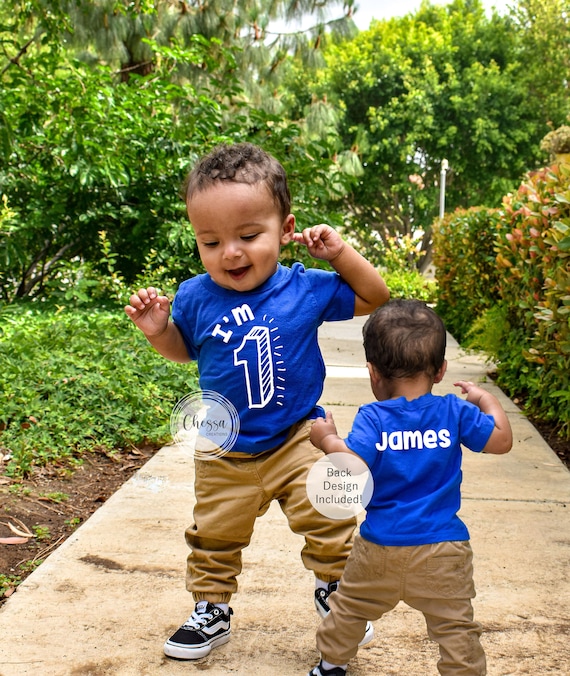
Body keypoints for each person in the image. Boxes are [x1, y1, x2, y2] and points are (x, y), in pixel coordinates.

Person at [124, 142, 390, 660]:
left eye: (248, 236)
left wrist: (339, 254)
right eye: (211, 241)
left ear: (286, 229)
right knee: (214, 534)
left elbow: (374, 295)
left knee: (331, 515)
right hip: (225, 448)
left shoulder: (306, 288)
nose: (231, 253)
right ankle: (212, 608)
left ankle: (338, 592)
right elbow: (187, 351)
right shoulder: (194, 296)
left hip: (298, 436)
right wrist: (159, 332)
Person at [307, 299, 513, 676]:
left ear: (373, 374)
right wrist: (486, 400)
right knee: (455, 626)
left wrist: (328, 439)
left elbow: (352, 465)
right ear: (440, 372)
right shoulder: (455, 412)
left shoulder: (373, 417)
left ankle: (331, 665)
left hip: (380, 546)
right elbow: (501, 440)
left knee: (349, 609)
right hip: (443, 549)